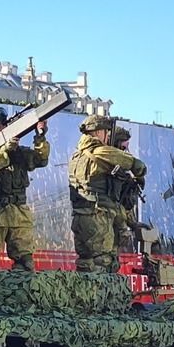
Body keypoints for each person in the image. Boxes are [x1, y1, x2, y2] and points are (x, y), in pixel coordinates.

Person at [0, 107, 49, 270]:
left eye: (5, 126)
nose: (4, 130)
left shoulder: (18, 152)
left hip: (18, 214)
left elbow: (40, 160)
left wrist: (40, 135)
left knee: (25, 261)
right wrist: (5, 150)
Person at [68, 115, 145, 272]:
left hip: (81, 218)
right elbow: (139, 166)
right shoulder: (102, 152)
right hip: (99, 219)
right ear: (97, 132)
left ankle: (85, 296)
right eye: (106, 131)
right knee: (102, 265)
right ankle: (96, 297)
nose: (107, 135)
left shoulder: (76, 156)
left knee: (86, 263)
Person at [107, 126, 147, 256]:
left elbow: (124, 203)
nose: (126, 152)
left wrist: (133, 223)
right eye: (123, 148)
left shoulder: (122, 170)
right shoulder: (104, 165)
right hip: (105, 224)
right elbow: (113, 203)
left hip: (115, 227)